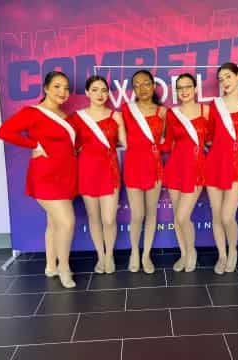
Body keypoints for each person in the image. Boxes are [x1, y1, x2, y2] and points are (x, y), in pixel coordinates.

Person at [0, 71, 77, 288]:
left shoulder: (66, 116)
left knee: (54, 223)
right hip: (45, 176)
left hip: (67, 174)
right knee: (67, 222)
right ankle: (64, 267)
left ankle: (51, 266)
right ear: (46, 88)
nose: (63, 92)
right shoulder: (32, 112)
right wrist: (34, 145)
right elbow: (4, 132)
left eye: (66, 88)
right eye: (57, 86)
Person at [69, 76, 126, 274]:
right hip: (86, 169)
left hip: (109, 170)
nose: (100, 94)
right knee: (94, 217)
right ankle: (100, 256)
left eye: (104, 90)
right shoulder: (77, 117)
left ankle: (109, 254)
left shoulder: (115, 116)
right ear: (87, 92)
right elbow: (68, 143)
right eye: (95, 89)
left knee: (109, 219)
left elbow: (126, 143)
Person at [204, 62, 238, 275]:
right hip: (214, 164)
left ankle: (233, 251)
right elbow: (209, 136)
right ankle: (222, 255)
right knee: (217, 216)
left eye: (227, 76)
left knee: (227, 215)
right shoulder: (215, 105)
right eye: (221, 78)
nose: (224, 81)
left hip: (236, 165)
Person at [163, 73, 209, 272]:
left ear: (195, 88)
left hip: (197, 166)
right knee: (176, 216)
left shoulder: (206, 110)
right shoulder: (172, 113)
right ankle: (184, 253)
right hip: (176, 166)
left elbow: (214, 139)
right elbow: (169, 142)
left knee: (183, 217)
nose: (184, 91)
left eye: (187, 86)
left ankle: (192, 252)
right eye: (180, 88)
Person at [122, 69, 167, 274]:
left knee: (151, 213)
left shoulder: (162, 112)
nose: (142, 88)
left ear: (153, 86)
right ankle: (133, 251)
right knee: (137, 214)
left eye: (146, 83)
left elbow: (166, 140)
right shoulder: (126, 110)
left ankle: (146, 254)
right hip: (133, 165)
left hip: (154, 166)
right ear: (133, 89)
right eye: (137, 85)